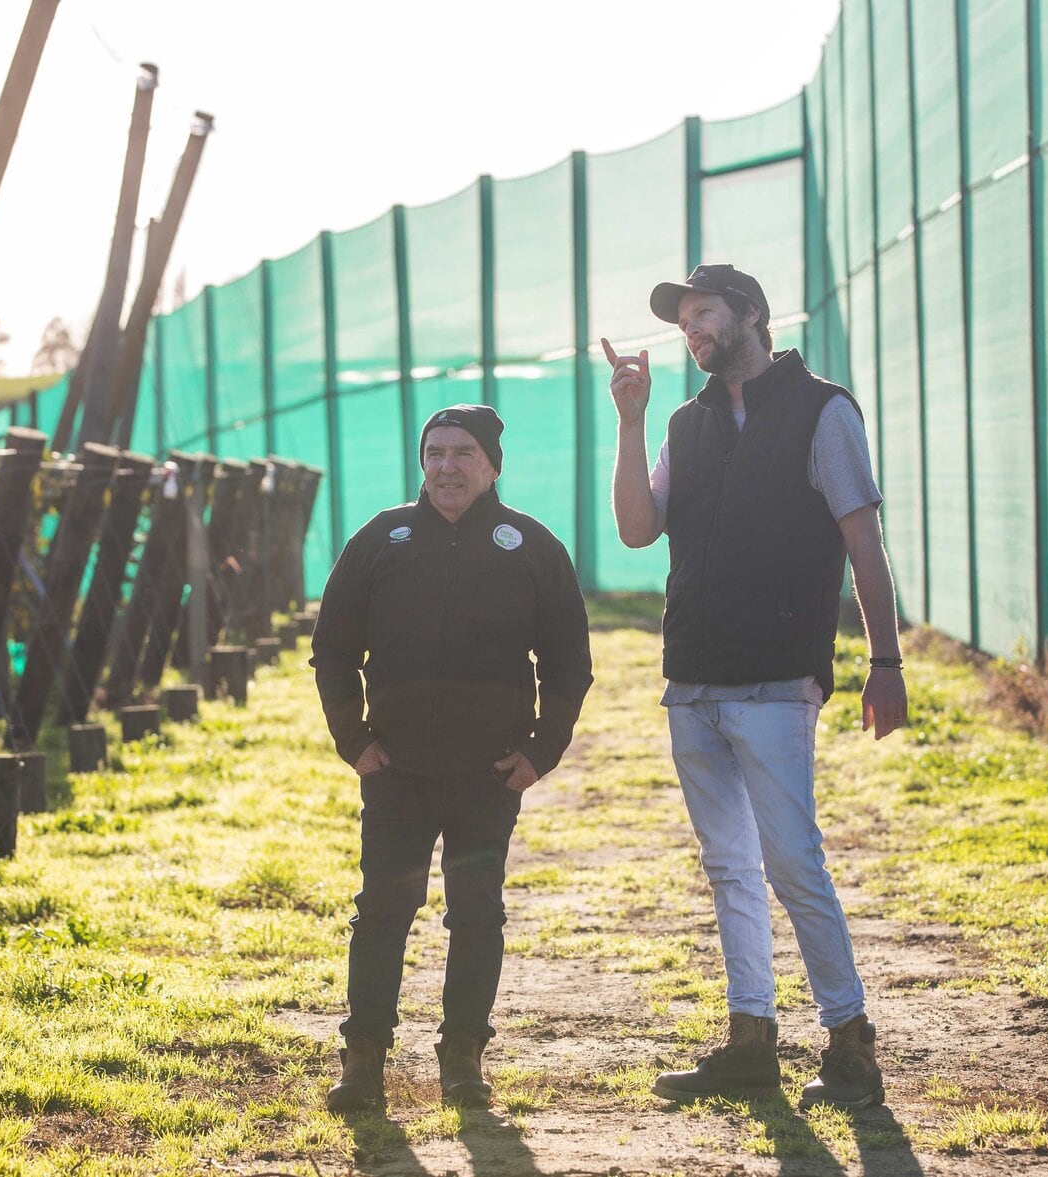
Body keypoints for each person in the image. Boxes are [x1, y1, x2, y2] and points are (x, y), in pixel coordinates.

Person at [605, 264, 909, 1108]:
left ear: (749, 315)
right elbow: (636, 529)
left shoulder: (823, 408)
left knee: (792, 861)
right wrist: (630, 422)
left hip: (778, 678)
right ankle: (750, 1039)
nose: (690, 329)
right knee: (729, 868)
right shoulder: (682, 422)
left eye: (702, 313)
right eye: (682, 321)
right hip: (692, 680)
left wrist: (884, 664)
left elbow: (864, 545)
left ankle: (850, 1044)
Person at [311, 404, 593, 1113]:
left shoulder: (529, 545)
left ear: (492, 463)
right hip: (396, 770)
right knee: (382, 908)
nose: (446, 466)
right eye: (434, 452)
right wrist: (356, 740)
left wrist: (539, 751)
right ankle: (364, 1059)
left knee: (476, 913)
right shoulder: (382, 539)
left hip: (487, 774)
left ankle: (463, 1056)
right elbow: (334, 649)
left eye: (463, 452)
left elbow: (568, 660)